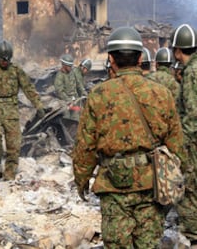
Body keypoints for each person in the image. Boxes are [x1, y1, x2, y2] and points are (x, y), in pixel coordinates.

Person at [72, 26, 186, 248]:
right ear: (140, 57)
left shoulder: (98, 95)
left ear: (111, 59)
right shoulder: (161, 93)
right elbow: (176, 144)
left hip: (113, 186)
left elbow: (85, 146)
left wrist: (82, 179)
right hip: (151, 185)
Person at [0, 40, 45, 181]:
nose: (5, 62)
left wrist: (38, 105)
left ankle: (9, 175)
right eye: (3, 59)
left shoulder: (16, 71)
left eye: (8, 59)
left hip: (11, 109)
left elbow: (28, 88)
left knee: (14, 144)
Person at [170, 23, 197, 247]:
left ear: (179, 50)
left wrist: (182, 145)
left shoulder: (191, 74)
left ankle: (192, 232)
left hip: (193, 141)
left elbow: (192, 114)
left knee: (188, 187)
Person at [54, 54, 81, 121]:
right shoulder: (59, 76)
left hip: (74, 100)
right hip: (64, 102)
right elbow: (59, 91)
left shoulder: (72, 73)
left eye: (71, 66)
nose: (71, 67)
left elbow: (78, 84)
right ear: (64, 65)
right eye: (69, 66)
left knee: (77, 116)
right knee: (67, 116)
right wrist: (68, 100)